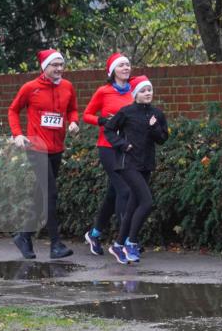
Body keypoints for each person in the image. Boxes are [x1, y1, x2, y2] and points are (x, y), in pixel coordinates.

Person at [7, 49, 79, 259]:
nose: (58, 69)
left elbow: (72, 109)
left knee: (41, 195)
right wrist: (18, 134)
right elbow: (13, 110)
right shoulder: (30, 88)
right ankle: (55, 244)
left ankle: (24, 236)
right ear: (44, 67)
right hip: (36, 147)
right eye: (53, 65)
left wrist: (74, 122)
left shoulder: (67, 87)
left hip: (57, 148)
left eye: (61, 65)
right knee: (51, 193)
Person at [104, 75, 168, 264]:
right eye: (143, 90)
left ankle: (117, 245)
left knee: (132, 206)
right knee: (146, 202)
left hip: (146, 164)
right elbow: (108, 129)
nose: (147, 93)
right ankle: (131, 243)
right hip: (127, 163)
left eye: (149, 90)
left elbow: (163, 138)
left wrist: (155, 127)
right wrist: (122, 144)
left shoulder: (156, 114)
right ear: (135, 94)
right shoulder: (126, 112)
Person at [82, 52, 133, 259]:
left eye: (128, 65)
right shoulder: (103, 92)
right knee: (125, 190)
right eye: (121, 66)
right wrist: (103, 121)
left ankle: (94, 234)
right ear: (113, 71)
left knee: (113, 194)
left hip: (127, 148)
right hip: (107, 147)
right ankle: (124, 240)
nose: (126, 68)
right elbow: (86, 115)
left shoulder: (134, 91)